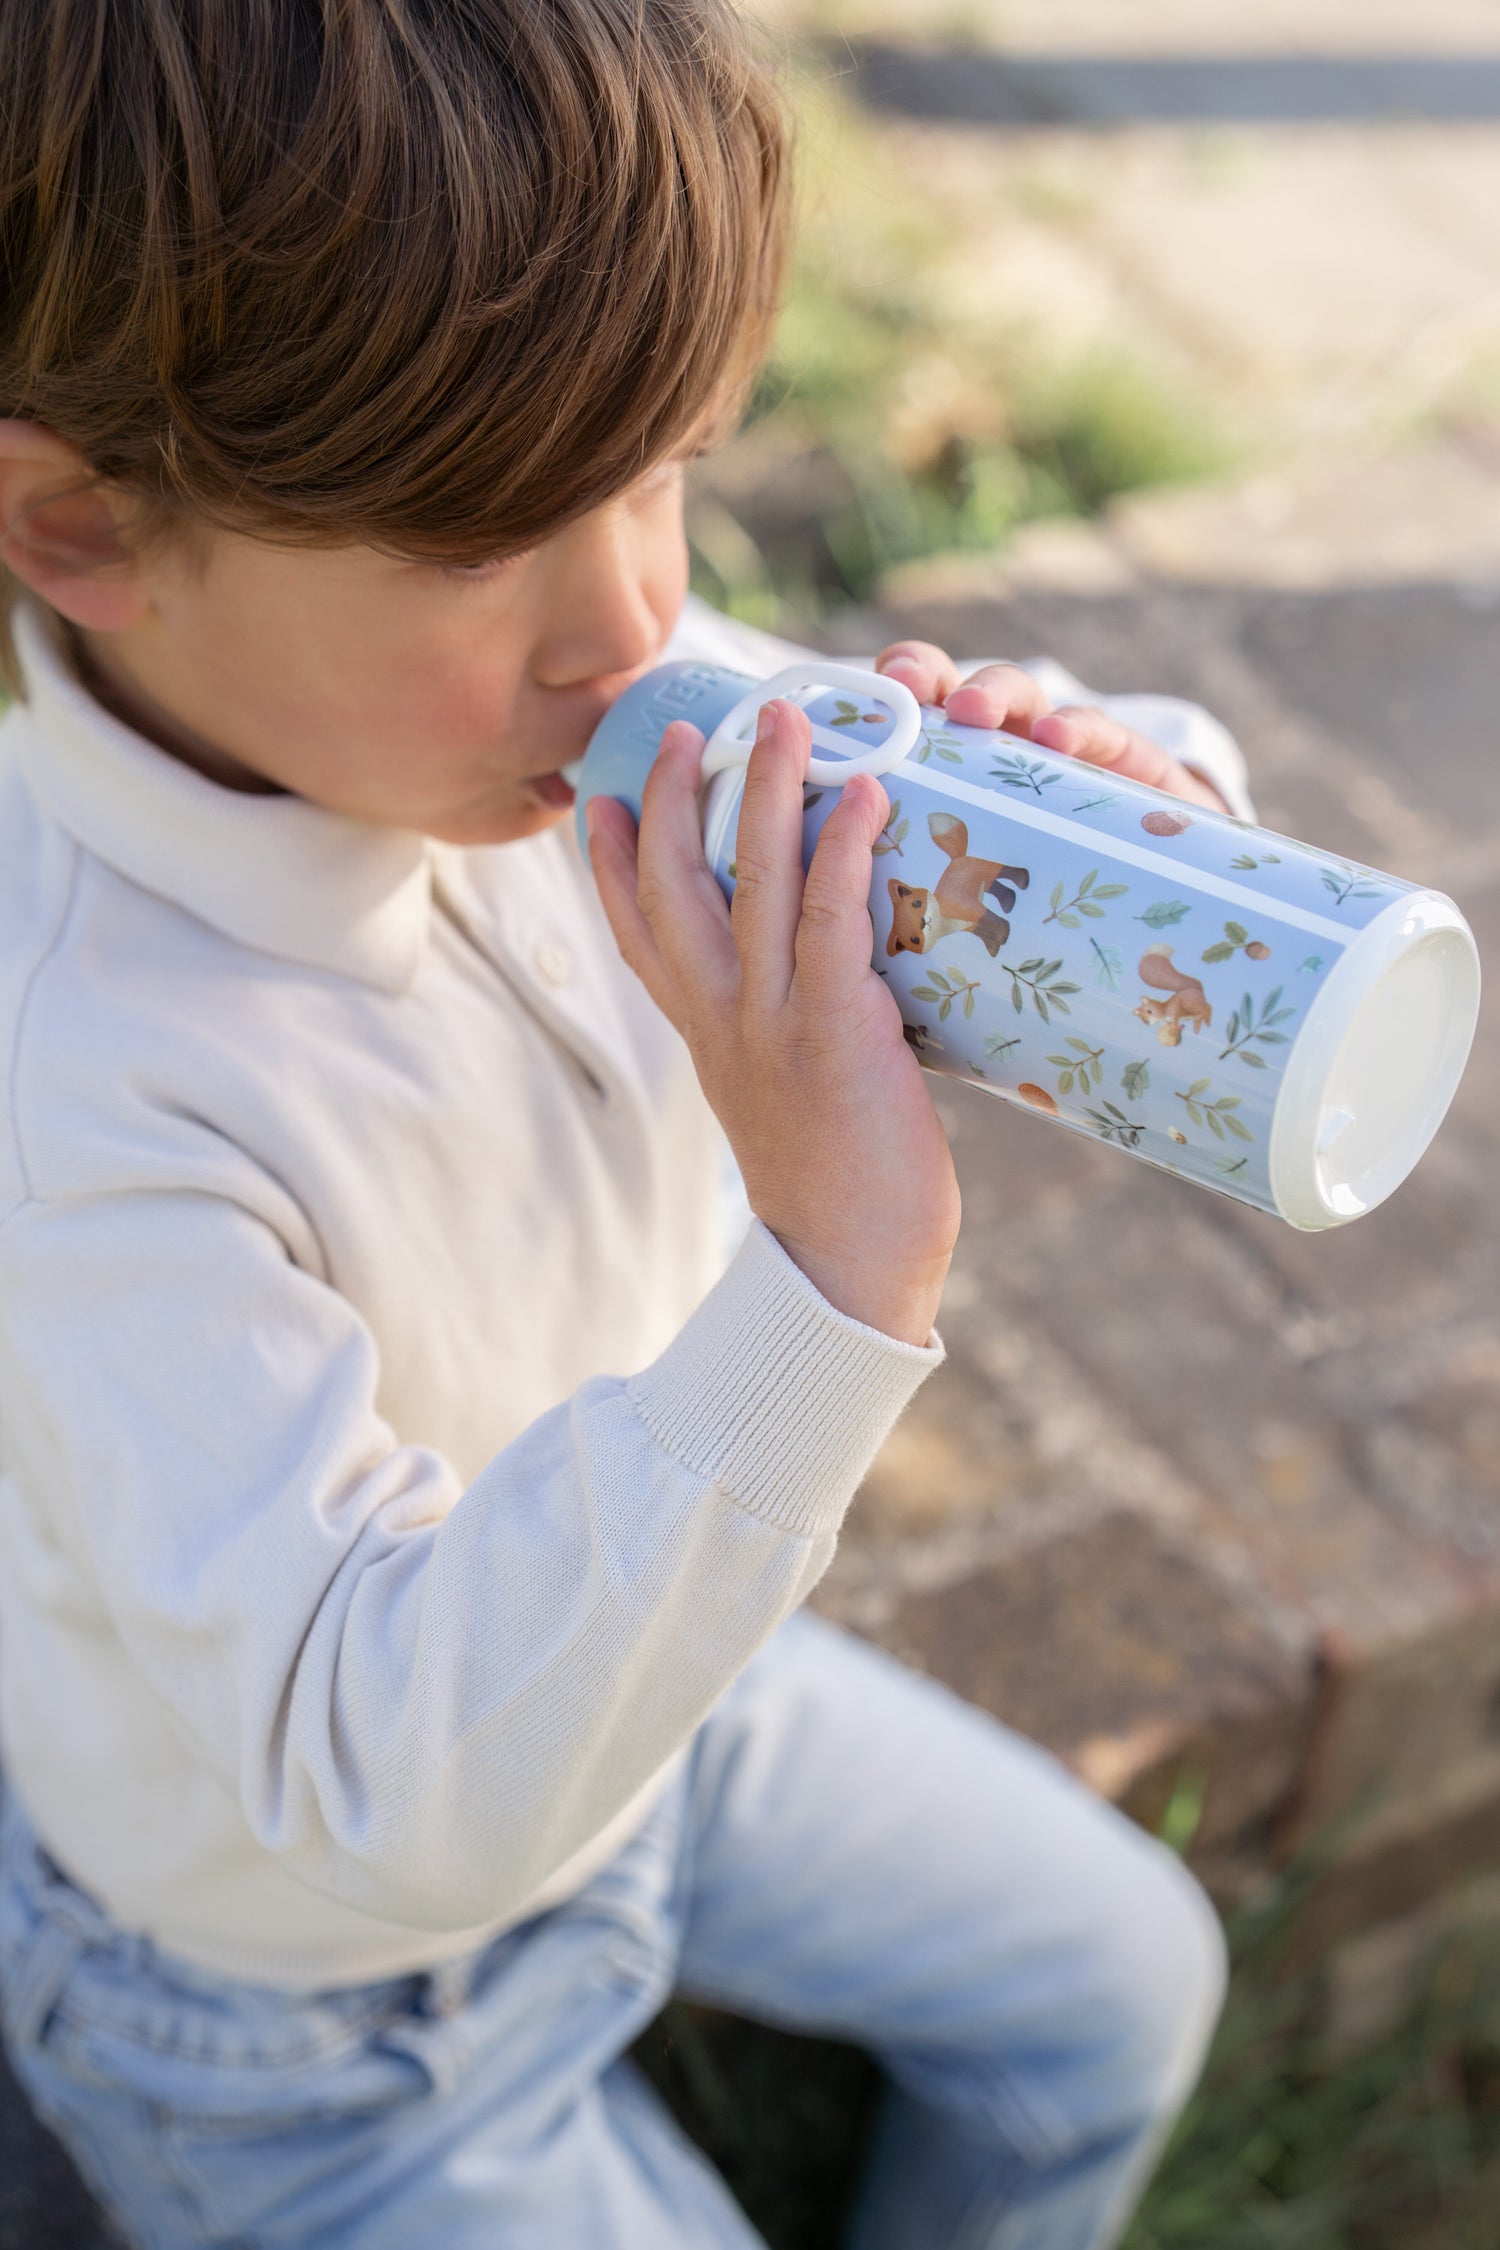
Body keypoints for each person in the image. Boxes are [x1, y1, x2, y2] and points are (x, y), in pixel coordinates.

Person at [0, 3, 1247, 2244]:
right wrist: (831, 1267)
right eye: (483, 540)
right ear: (82, 524)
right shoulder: (73, 1079)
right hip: (310, 1995)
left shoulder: (537, 702)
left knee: (1127, 1987)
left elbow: (997, 813)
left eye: (662, 467)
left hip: (670, 1709)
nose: (638, 617)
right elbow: (383, 1790)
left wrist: (1112, 816)